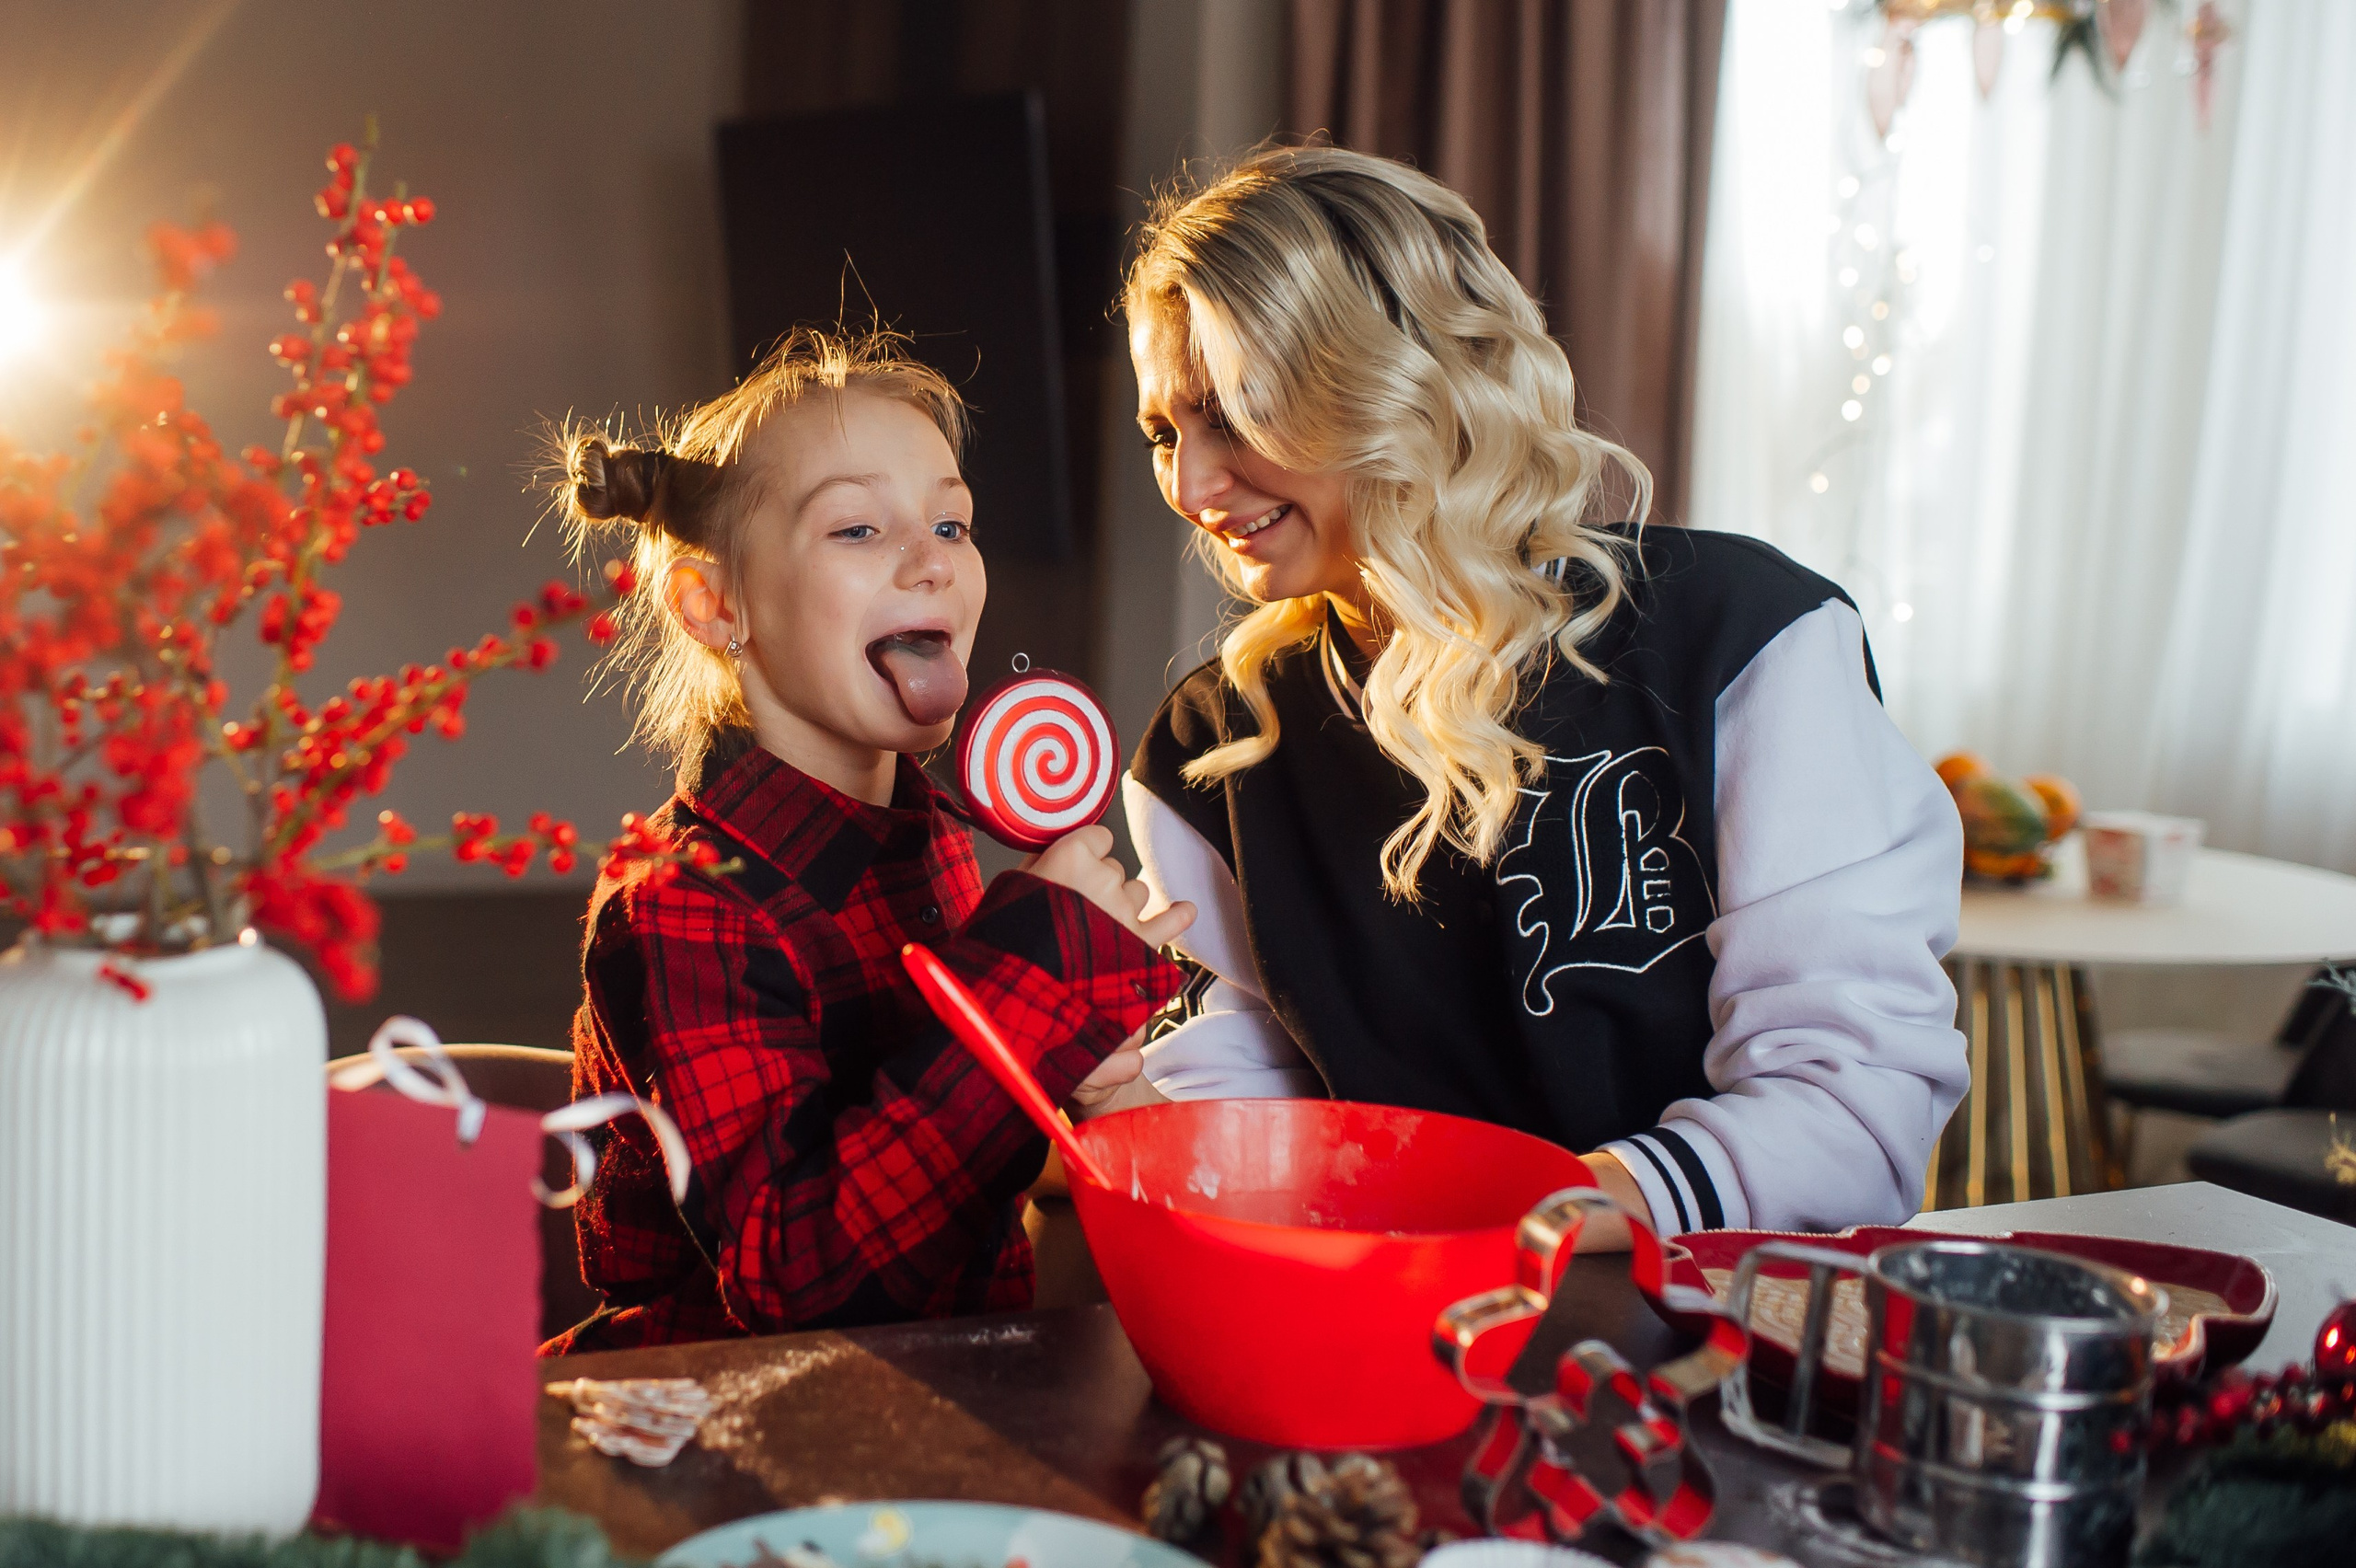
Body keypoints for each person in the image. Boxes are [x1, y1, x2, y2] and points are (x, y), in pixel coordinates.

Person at [1119, 146, 1967, 1249]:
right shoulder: (1210, 746)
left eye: (1230, 413)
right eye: (1163, 435)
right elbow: (1240, 1103)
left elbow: (1854, 1114)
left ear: (1392, 375)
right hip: (1377, 1337)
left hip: (1700, 1343)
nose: (1189, 488)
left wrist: (1524, 1225)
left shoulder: (1745, 639)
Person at [545, 329, 1191, 1353]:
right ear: (717, 606)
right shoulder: (682, 897)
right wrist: (1028, 985)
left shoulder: (930, 835)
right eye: (856, 530)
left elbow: (959, 1155)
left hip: (956, 1379)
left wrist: (1081, 1078)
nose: (932, 560)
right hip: (719, 1414)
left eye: (950, 521)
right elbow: (797, 1284)